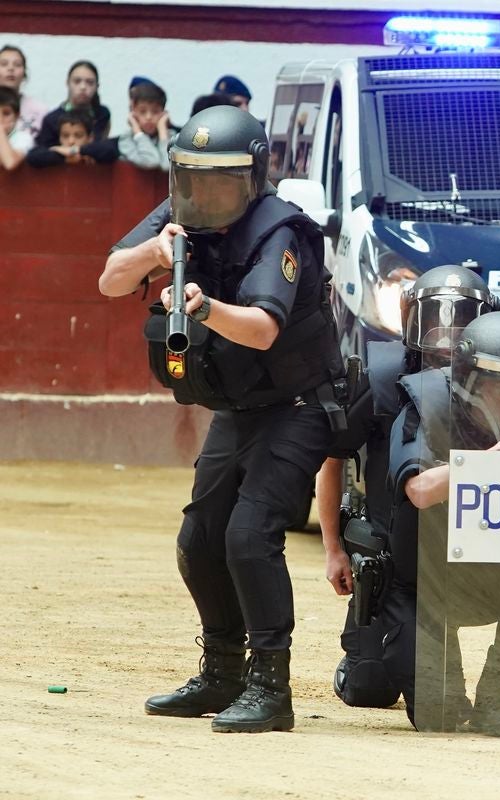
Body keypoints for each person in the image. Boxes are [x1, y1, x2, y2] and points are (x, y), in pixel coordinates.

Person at [98, 105, 345, 734]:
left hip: (298, 405)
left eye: (221, 179)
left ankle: (271, 685)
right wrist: (153, 250)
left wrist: (205, 308)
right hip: (238, 406)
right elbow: (108, 279)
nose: (205, 192)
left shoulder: (279, 231)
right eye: (193, 177)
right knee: (200, 540)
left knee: (249, 533)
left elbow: (263, 329)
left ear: (254, 176)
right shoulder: (181, 212)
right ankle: (222, 672)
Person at [316, 264, 500, 712]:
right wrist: (333, 550)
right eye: (436, 318)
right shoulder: (380, 378)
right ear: (411, 319)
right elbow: (332, 457)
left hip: (471, 552)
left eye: (462, 320)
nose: (447, 334)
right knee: (370, 691)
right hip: (396, 558)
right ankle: (372, 652)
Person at [390, 311, 500, 736]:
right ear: (469, 380)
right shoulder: (427, 402)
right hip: (425, 580)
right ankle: (437, 676)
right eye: (499, 383)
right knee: (436, 714)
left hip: (498, 573)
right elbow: (420, 490)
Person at [35, 60, 110, 148]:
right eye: (77, 81)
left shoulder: (102, 114)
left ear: (97, 86)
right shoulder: (51, 120)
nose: (83, 87)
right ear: (67, 83)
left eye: (89, 82)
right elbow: (42, 154)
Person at [24, 108, 114, 168]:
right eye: (65, 136)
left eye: (78, 136)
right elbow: (32, 157)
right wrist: (64, 158)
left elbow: (111, 150)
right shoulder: (56, 153)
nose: (71, 141)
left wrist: (77, 151)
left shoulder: (99, 153)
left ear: (90, 137)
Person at [117, 79, 175, 171]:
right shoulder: (127, 139)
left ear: (163, 114)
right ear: (133, 113)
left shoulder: (172, 137)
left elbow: (167, 166)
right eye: (142, 111)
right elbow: (151, 161)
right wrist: (138, 132)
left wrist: (163, 132)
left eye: (155, 112)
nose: (148, 117)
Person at [0, 45, 48, 140]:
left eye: (17, 65)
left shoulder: (40, 110)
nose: (11, 69)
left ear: (24, 74)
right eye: (4, 64)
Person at [0, 86, 33, 170]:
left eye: (6, 113)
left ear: (17, 116)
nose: (0, 119)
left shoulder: (23, 138)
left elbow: (10, 163)